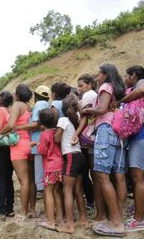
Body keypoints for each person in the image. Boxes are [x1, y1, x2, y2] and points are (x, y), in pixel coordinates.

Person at [80, 64, 126, 237]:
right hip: (116, 131)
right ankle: (116, 218)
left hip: (105, 130)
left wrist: (86, 109)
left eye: (98, 74)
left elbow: (101, 110)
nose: (96, 77)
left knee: (101, 175)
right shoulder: (117, 89)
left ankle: (115, 222)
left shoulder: (106, 87)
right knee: (114, 175)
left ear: (106, 75)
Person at [120, 66, 144, 231]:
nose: (125, 78)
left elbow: (142, 89)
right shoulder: (134, 89)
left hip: (143, 137)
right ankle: (138, 213)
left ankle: (139, 220)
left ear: (133, 75)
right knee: (138, 177)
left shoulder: (142, 82)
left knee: (138, 178)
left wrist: (121, 100)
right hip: (141, 137)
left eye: (127, 76)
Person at [55, 93, 88, 233]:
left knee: (67, 190)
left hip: (70, 157)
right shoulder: (77, 119)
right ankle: (83, 219)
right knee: (78, 190)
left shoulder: (62, 120)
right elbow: (84, 120)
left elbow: (57, 139)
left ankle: (69, 225)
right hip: (80, 156)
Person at [15, 85, 51, 216]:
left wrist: (17, 127)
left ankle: (49, 215)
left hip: (39, 146)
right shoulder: (46, 104)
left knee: (40, 181)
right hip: (41, 146)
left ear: (36, 96)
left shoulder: (40, 104)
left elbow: (36, 124)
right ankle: (42, 211)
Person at [0, 84, 32, 217]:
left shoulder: (17, 106)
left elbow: (11, 125)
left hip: (18, 146)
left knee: (23, 181)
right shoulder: (29, 107)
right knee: (29, 181)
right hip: (29, 143)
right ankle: (29, 209)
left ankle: (23, 212)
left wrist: (0, 134)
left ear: (16, 95)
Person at [36, 108, 65, 232]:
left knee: (48, 192)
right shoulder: (56, 132)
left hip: (50, 167)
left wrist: (37, 146)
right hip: (60, 165)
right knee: (57, 192)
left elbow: (42, 151)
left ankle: (50, 221)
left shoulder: (44, 134)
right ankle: (59, 219)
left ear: (41, 122)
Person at [76, 74, 96, 213]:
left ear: (90, 85)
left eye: (81, 85)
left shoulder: (89, 95)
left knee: (87, 173)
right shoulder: (94, 94)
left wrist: (76, 134)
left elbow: (84, 118)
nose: (79, 89)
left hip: (88, 139)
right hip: (93, 137)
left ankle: (92, 202)